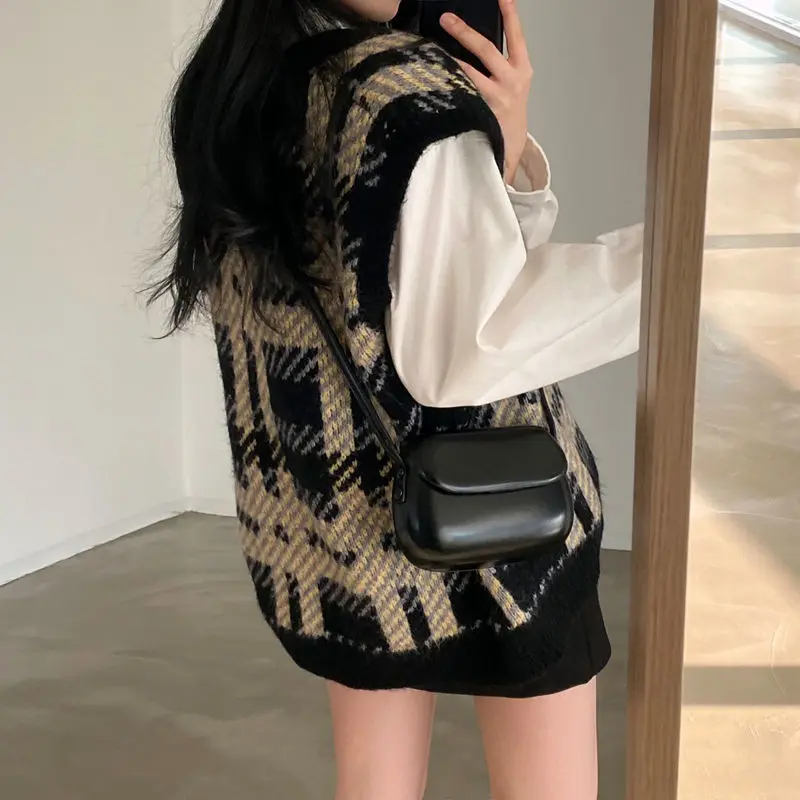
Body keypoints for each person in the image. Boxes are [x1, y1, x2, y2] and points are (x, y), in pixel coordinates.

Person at [152, 0, 643, 797]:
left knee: (374, 784)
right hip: (498, 532)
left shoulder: (238, 83)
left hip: (337, 534)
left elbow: (389, 290)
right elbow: (471, 342)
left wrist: (498, 153)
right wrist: (679, 261)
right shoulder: (404, 94)